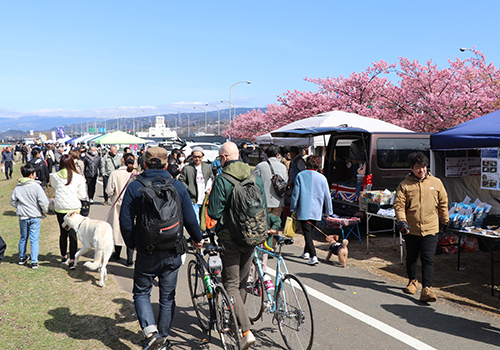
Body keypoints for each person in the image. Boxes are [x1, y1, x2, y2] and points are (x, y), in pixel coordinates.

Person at [119, 147, 203, 350]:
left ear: (145, 164)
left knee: (141, 293)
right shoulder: (177, 186)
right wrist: (197, 238)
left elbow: (126, 222)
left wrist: (133, 245)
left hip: (146, 250)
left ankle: (151, 333)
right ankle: (163, 339)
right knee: (167, 296)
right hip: (173, 249)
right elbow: (190, 219)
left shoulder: (135, 187)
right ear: (167, 165)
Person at [208, 141, 267, 350]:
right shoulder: (254, 177)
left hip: (230, 238)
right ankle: (236, 322)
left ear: (224, 158)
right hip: (252, 237)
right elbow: (263, 207)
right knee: (242, 283)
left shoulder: (222, 180)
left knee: (231, 284)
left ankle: (245, 330)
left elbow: (214, 213)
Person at [394, 152, 449, 303]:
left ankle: (427, 289)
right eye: (418, 167)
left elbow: (443, 203)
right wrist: (402, 221)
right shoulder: (404, 185)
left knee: (427, 258)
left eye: (424, 167)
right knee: (412, 256)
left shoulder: (436, 183)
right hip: (411, 228)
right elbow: (399, 205)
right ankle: (412, 281)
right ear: (411, 168)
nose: (422, 170)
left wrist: (445, 221)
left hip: (431, 227)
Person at [291, 155, 333, 265]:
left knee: (307, 232)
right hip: (317, 209)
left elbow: (295, 194)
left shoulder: (300, 175)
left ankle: (313, 255)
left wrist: (293, 208)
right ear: (318, 166)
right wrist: (329, 211)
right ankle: (306, 252)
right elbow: (327, 196)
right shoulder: (322, 178)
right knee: (310, 231)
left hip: (303, 208)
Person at [51, 154, 87, 270]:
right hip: (74, 209)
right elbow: (82, 195)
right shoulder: (78, 177)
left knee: (63, 232)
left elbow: (54, 186)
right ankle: (72, 259)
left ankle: (63, 256)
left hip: (60, 208)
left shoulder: (55, 176)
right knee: (73, 234)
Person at [11, 164, 49, 269]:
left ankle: (22, 257)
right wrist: (44, 211)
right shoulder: (36, 186)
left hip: (23, 216)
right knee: (34, 239)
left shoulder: (18, 187)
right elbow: (44, 202)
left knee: (23, 237)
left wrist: (19, 207)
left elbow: (13, 201)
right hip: (35, 216)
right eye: (35, 173)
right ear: (31, 175)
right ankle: (34, 261)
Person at [106, 153, 137, 266]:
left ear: (122, 160)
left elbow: (109, 191)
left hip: (117, 204)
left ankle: (117, 254)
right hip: (132, 205)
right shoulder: (136, 174)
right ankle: (130, 258)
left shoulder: (115, 173)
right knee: (130, 230)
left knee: (117, 230)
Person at [178, 146, 214, 225]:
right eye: (195, 157)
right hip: (192, 199)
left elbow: (211, 178)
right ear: (192, 157)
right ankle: (198, 236)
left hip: (204, 199)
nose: (197, 159)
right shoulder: (187, 168)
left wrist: (210, 187)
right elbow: (181, 180)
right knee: (195, 221)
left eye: (199, 156)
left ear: (203, 156)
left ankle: (202, 235)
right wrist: (189, 189)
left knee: (204, 221)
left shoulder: (207, 167)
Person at [253, 145, 288, 218]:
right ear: (277, 155)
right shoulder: (283, 167)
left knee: (264, 225)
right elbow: (286, 182)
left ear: (267, 155)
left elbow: (253, 182)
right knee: (275, 225)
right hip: (278, 201)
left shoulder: (260, 166)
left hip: (264, 201)